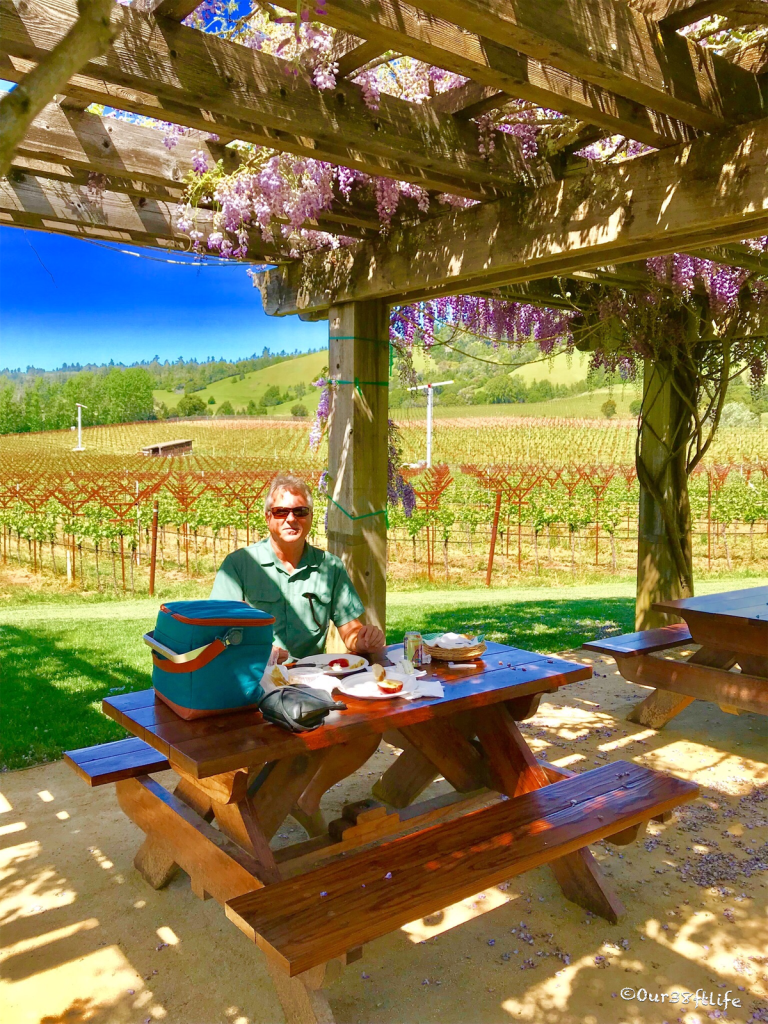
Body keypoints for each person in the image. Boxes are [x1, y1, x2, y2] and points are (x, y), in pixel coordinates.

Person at [210, 472, 386, 660]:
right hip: (255, 672)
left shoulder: (330, 567)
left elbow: (350, 629)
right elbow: (217, 630)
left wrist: (364, 640)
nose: (291, 519)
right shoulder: (238, 565)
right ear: (268, 518)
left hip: (309, 673)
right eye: (281, 512)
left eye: (300, 511)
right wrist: (258, 651)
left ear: (311, 517)